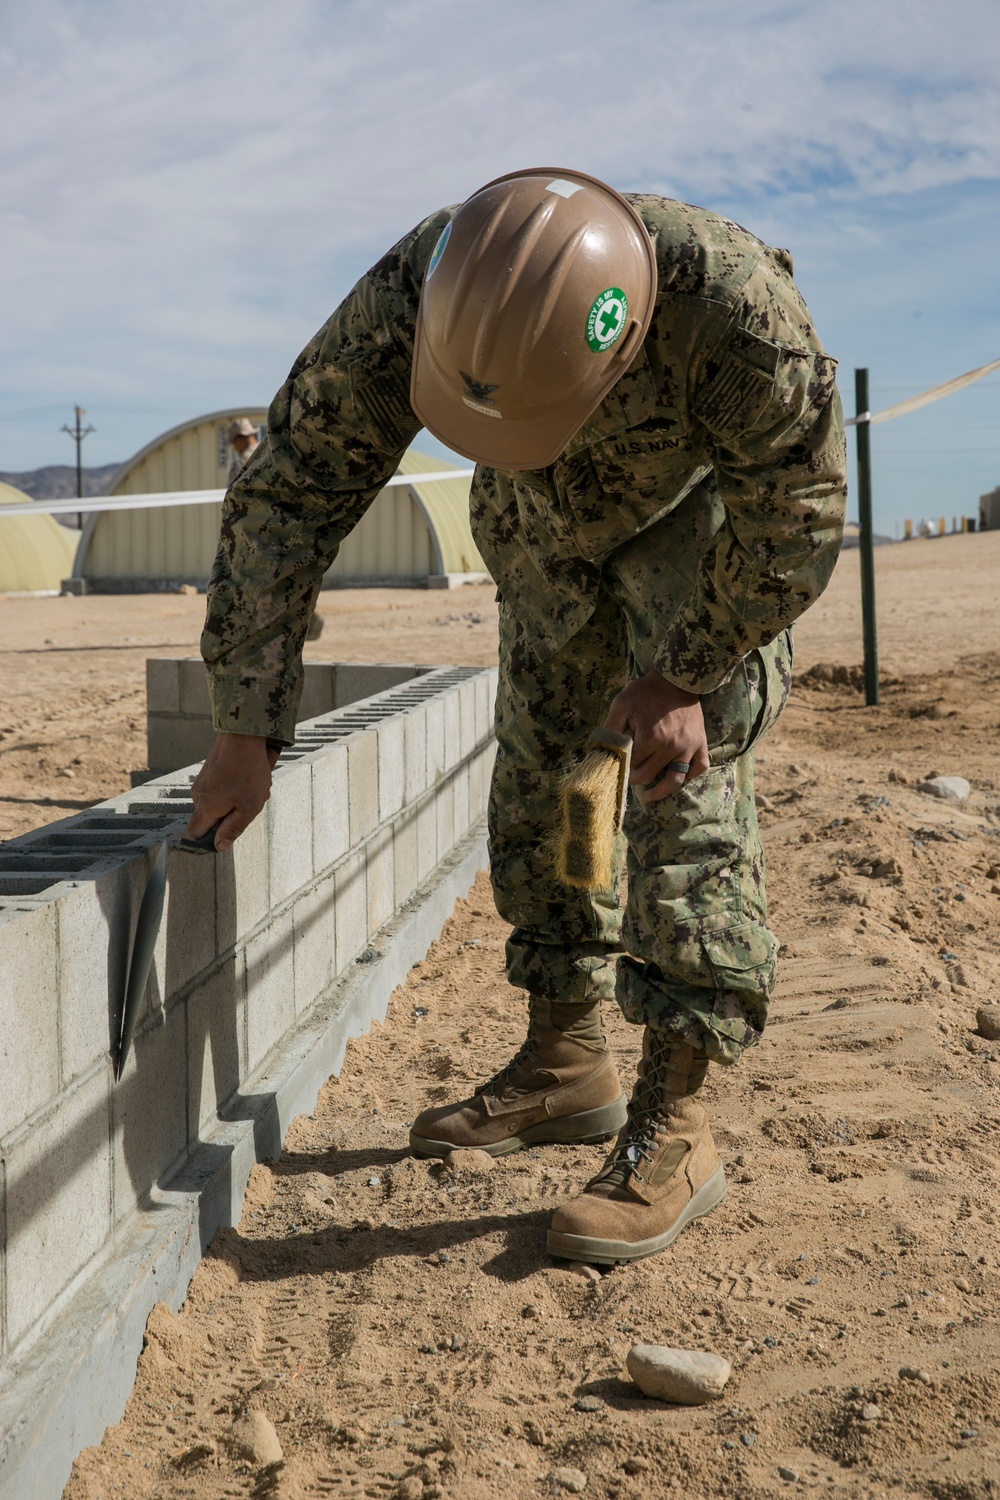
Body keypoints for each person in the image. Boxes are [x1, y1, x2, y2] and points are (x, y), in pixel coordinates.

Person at [190, 169, 846, 1266]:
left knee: (673, 782)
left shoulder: (735, 317)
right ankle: (566, 1059)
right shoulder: (423, 292)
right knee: (548, 783)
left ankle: (675, 1119)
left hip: (701, 539)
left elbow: (800, 511)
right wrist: (244, 722)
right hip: (537, 527)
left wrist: (688, 672)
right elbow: (290, 489)